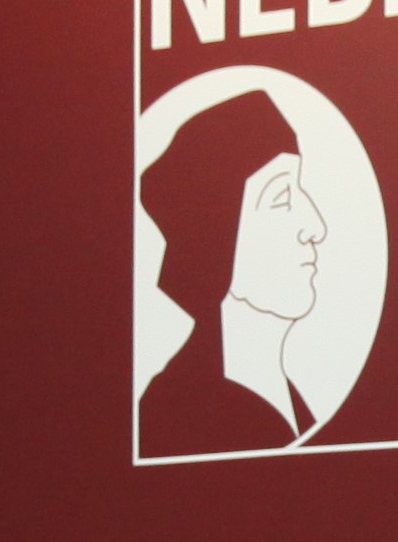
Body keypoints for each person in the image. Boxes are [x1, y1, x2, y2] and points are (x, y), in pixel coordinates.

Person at [135, 91, 329, 456]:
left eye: (300, 191)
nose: (315, 227)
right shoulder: (177, 414)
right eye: (281, 199)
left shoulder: (291, 406)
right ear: (217, 241)